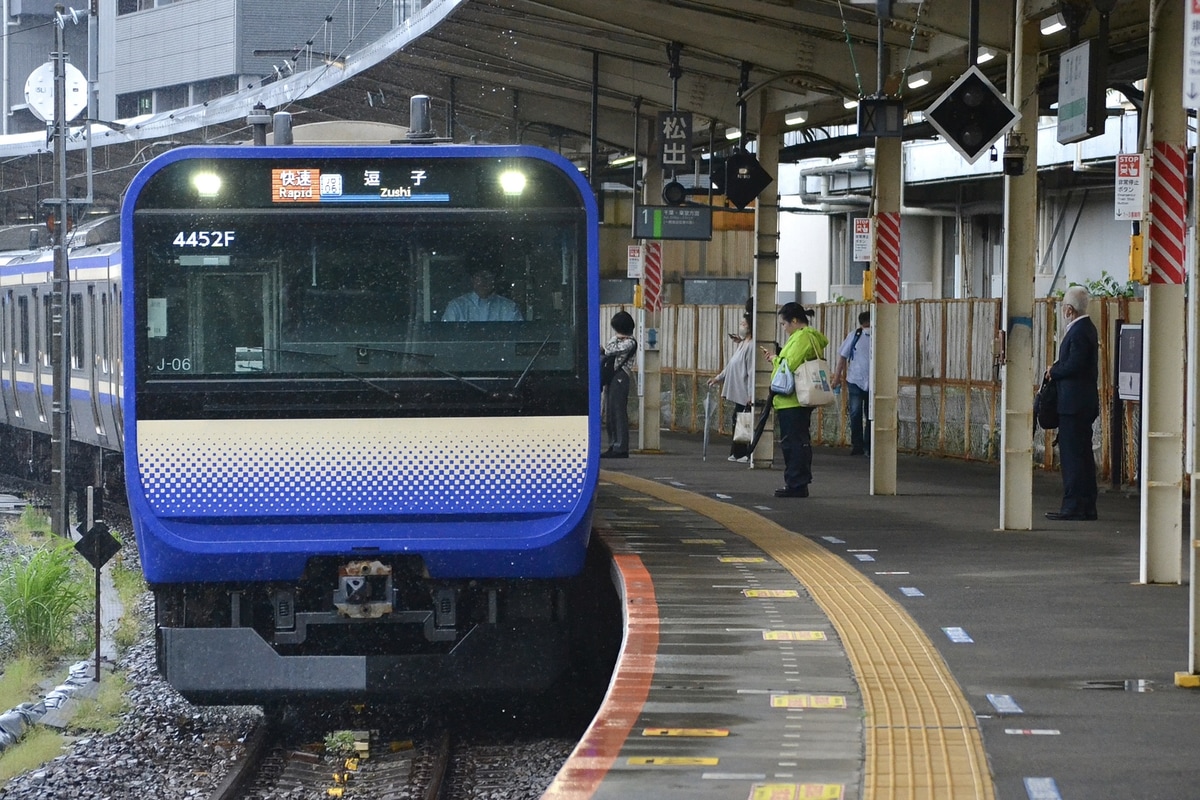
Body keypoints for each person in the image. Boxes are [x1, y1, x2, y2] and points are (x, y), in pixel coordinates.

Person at [759, 303, 829, 497]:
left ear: (795, 321)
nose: (783, 328)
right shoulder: (804, 337)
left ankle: (797, 483)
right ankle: (797, 481)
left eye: (784, 324)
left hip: (793, 400)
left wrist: (775, 359)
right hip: (794, 400)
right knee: (796, 440)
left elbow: (789, 364)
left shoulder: (802, 337)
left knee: (794, 443)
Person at [1044, 285, 1099, 521]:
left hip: (1073, 405)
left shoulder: (1077, 332)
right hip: (1083, 403)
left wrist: (1053, 371)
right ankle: (1087, 505)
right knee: (1083, 455)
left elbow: (1074, 364)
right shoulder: (1088, 329)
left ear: (1068, 310)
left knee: (1072, 457)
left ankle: (1073, 505)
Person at [708, 313, 755, 462]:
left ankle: (743, 453)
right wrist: (719, 378)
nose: (741, 326)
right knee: (738, 419)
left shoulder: (751, 345)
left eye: (744, 323)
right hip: (739, 390)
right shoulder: (742, 343)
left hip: (744, 391)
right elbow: (731, 365)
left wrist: (750, 393)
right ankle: (738, 452)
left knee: (743, 421)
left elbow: (751, 371)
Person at [831, 310, 872, 456]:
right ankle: (863, 445)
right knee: (866, 414)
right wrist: (837, 378)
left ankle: (862, 445)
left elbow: (842, 357)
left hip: (860, 380)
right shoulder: (856, 335)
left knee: (860, 413)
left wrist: (837, 378)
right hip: (857, 380)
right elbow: (843, 356)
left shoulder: (861, 335)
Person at [601, 310, 637, 459]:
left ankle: (621, 446)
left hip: (621, 376)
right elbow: (609, 346)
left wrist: (617, 339)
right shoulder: (617, 339)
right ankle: (613, 444)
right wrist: (617, 338)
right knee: (610, 412)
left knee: (618, 412)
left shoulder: (630, 342)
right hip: (612, 376)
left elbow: (609, 350)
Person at [443, 269, 523, 321]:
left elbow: (517, 339)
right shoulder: (456, 307)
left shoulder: (510, 308)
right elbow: (446, 339)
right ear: (472, 279)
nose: (483, 281)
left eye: (488, 276)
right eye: (480, 276)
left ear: (494, 279)